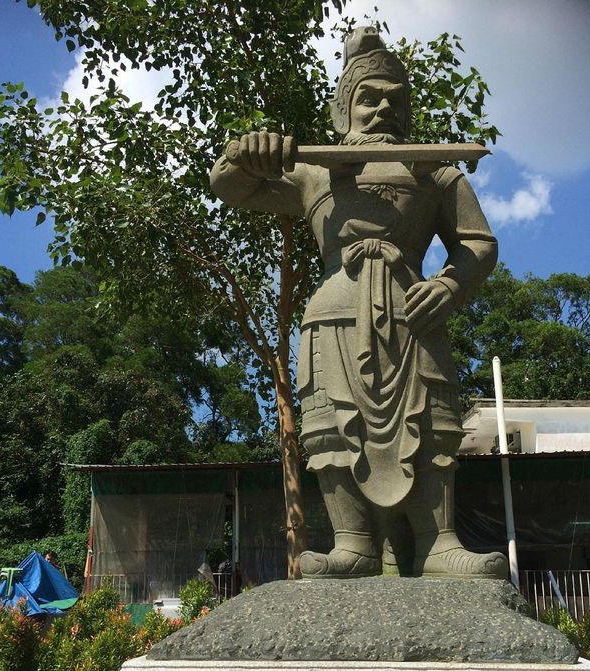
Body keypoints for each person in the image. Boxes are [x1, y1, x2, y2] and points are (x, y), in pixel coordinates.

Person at [210, 27, 507, 581]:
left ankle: (438, 540)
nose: (383, 108)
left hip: (415, 310)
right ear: (342, 109)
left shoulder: (434, 170)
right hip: (332, 314)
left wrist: (450, 286)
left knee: (434, 424)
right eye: (369, 98)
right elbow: (232, 187)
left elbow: (478, 243)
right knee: (330, 427)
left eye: (396, 99)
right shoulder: (313, 172)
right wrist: (244, 155)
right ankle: (354, 542)